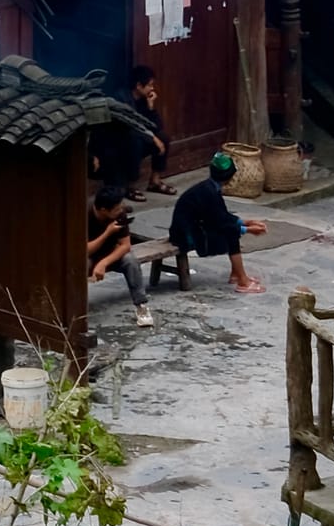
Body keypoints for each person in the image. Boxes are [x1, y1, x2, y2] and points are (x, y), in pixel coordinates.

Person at [169, 150, 268, 292]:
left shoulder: (210, 187)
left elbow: (221, 215)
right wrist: (247, 230)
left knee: (232, 228)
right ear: (229, 177)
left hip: (193, 227)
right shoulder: (209, 193)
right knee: (231, 234)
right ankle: (243, 282)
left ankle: (236, 273)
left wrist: (244, 222)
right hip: (185, 235)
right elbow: (219, 224)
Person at [88, 182, 154, 328]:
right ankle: (75, 308)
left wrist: (103, 263)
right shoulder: (84, 215)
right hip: (86, 254)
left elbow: (125, 245)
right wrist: (107, 233)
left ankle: (141, 306)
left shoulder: (119, 213)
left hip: (109, 252)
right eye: (117, 208)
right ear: (104, 210)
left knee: (130, 260)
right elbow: (84, 251)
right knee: (79, 264)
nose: (121, 210)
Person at [128, 65, 171, 196]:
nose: (152, 88)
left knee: (163, 137)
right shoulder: (124, 99)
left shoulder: (143, 100)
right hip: (122, 143)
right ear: (139, 86)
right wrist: (152, 138)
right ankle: (129, 186)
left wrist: (150, 107)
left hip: (141, 137)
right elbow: (131, 127)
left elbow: (156, 127)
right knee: (135, 143)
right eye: (150, 85)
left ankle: (154, 181)